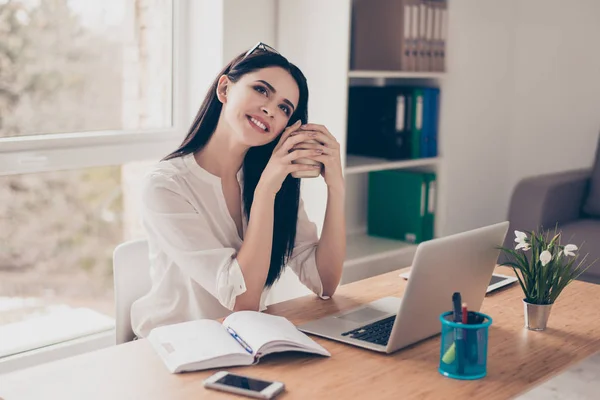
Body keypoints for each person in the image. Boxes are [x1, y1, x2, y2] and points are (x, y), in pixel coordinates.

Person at [130, 42, 346, 338]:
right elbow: (242, 301)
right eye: (261, 90)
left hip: (245, 340)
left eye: (284, 108)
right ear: (224, 89)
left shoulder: (270, 176)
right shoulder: (166, 186)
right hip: (177, 348)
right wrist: (267, 189)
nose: (270, 109)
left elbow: (324, 283)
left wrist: (336, 186)